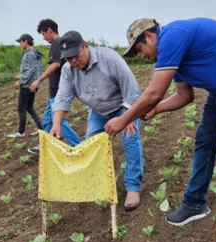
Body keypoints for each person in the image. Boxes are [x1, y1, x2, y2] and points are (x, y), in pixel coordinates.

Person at [104, 18, 216, 242]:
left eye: (139, 49)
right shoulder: (176, 57)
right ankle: (195, 204)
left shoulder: (173, 36)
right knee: (205, 141)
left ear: (150, 37)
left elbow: (154, 92)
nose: (140, 56)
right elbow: (184, 96)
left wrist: (124, 119)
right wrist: (155, 110)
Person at [51, 30, 144, 211]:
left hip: (123, 106)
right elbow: (62, 99)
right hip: (98, 111)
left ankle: (133, 187)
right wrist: (56, 124)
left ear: (85, 45)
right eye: (68, 59)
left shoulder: (110, 59)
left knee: (130, 138)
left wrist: (128, 116)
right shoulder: (68, 70)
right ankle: (99, 183)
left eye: (75, 56)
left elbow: (131, 90)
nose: (73, 61)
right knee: (92, 144)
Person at [27, 19, 81, 154]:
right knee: (47, 120)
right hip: (54, 91)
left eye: (44, 34)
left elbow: (56, 64)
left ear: (50, 30)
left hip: (58, 90)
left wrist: (38, 80)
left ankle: (79, 146)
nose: (44, 38)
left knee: (58, 121)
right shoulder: (59, 43)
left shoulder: (57, 42)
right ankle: (44, 146)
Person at [8, 34, 44, 138]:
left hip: (27, 85)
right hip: (33, 84)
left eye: (20, 42)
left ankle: (21, 132)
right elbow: (36, 69)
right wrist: (22, 74)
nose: (20, 44)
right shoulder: (35, 53)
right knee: (30, 107)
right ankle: (41, 128)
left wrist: (21, 81)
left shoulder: (29, 54)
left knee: (21, 108)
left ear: (25, 42)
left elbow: (31, 70)